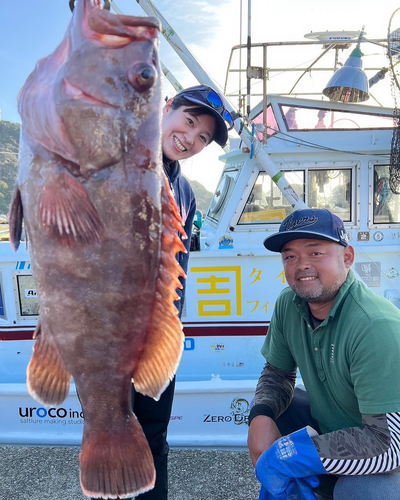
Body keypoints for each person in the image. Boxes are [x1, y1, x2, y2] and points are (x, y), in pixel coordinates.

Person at [92, 85, 233, 500]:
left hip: (157, 336)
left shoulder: (186, 192)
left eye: (203, 137)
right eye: (189, 122)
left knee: (154, 435)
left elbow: (179, 270)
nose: (191, 139)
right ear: (166, 106)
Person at [247, 208, 400, 500]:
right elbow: (277, 373)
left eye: (315, 253)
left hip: (390, 455)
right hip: (338, 429)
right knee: (281, 411)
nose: (301, 265)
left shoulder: (375, 326)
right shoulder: (289, 304)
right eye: (290, 256)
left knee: (363, 489)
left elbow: (391, 445)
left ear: (347, 257)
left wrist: (296, 454)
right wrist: (260, 416)